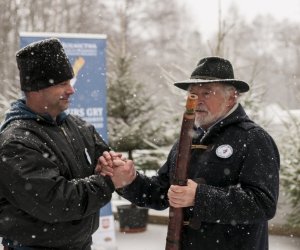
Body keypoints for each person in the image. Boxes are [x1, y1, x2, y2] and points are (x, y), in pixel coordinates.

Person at [98, 57, 280, 250]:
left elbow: (262, 204)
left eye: (206, 92)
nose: (196, 99)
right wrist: (129, 181)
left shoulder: (253, 138)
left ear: (232, 97)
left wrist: (199, 196)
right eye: (192, 93)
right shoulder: (188, 139)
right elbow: (162, 193)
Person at [0, 38, 117, 250]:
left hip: (81, 245)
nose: (71, 90)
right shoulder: (16, 142)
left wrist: (114, 166)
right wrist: (107, 180)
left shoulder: (78, 127)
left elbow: (111, 162)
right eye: (62, 83)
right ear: (36, 89)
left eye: (69, 82)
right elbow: (56, 202)